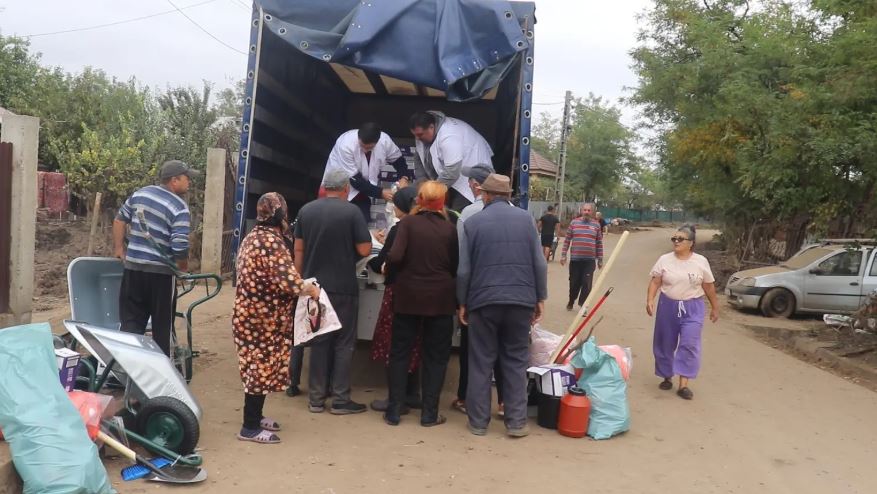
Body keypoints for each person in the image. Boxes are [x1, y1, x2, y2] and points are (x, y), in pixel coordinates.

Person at [457, 174, 547, 437]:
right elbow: (539, 263)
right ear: (508, 196)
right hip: (520, 300)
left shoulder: (473, 223)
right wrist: (540, 297)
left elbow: (463, 271)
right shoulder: (527, 220)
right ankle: (516, 422)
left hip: (483, 302)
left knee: (481, 361)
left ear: (485, 195)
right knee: (516, 360)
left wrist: (462, 302)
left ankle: (478, 422)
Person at [233, 192, 320, 444]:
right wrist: (311, 289)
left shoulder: (253, 235)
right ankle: (249, 427)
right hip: (262, 318)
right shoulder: (271, 241)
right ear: (279, 212)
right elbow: (289, 282)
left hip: (250, 314)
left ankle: (256, 416)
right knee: (259, 368)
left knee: (258, 366)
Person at [294, 169, 373, 415]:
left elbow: (299, 249)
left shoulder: (306, 210)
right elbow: (365, 250)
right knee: (343, 343)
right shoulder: (352, 212)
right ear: (346, 188)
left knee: (319, 340)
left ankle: (316, 399)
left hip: (314, 288)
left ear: (325, 187)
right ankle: (340, 399)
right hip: (343, 287)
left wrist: (299, 283)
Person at [383, 181, 459, 427]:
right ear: (442, 203)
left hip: (408, 297)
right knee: (436, 357)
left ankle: (394, 411)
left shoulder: (407, 224)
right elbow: (455, 265)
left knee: (400, 353)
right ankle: (429, 414)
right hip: (440, 299)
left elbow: (395, 256)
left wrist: (391, 271)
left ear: (420, 200)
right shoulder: (449, 229)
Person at [113, 160, 197, 357]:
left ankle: (130, 367)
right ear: (174, 180)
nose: (189, 182)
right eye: (187, 178)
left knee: (131, 324)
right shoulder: (179, 207)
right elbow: (180, 244)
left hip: (133, 270)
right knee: (162, 328)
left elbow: (119, 219)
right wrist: (182, 268)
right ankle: (161, 369)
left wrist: (119, 249)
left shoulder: (140, 194)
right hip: (161, 276)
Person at [450, 163, 506, 418]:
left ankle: (466, 398)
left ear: (476, 185)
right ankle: (504, 402)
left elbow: (462, 261)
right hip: (510, 292)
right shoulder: (519, 214)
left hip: (478, 292)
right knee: (504, 349)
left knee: (472, 349)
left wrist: (461, 299)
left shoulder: (469, 213)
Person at [646, 225, 720, 400]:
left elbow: (708, 286)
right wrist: (650, 299)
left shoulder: (700, 261)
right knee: (665, 342)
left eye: (680, 239)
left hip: (693, 307)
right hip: (668, 306)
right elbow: (655, 282)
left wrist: (715, 307)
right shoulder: (664, 260)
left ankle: (683, 385)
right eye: (674, 239)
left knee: (689, 343)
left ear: (691, 243)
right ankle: (666, 375)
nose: (676, 242)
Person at [365, 186, 422, 413]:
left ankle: (395, 400)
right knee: (415, 343)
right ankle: (412, 394)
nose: (392, 208)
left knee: (395, 345)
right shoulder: (429, 225)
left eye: (395, 204)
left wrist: (370, 258)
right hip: (422, 295)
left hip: (398, 293)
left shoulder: (400, 229)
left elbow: (384, 261)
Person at [322, 122, 412, 223]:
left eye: (369, 148)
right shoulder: (346, 144)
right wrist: (380, 192)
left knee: (363, 221)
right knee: (334, 220)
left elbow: (399, 160)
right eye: (362, 146)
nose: (365, 150)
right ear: (358, 137)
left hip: (364, 187)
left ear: (377, 142)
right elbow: (354, 180)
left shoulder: (384, 141)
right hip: (339, 186)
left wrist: (404, 178)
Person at [409, 111, 493, 212]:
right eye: (414, 135)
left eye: (419, 134)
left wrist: (430, 192)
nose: (417, 138)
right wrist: (422, 184)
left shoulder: (449, 135)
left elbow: (452, 173)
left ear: (431, 127)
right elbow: (419, 157)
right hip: (447, 176)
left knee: (458, 211)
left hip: (466, 174)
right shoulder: (422, 135)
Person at [560, 203, 604, 311]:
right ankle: (571, 300)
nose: (586, 212)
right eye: (585, 210)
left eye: (589, 210)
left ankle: (583, 305)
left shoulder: (596, 225)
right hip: (575, 260)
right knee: (574, 283)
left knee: (586, 283)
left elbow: (599, 243)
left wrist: (600, 259)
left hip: (589, 261)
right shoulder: (574, 223)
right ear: (581, 211)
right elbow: (567, 240)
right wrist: (563, 255)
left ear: (592, 212)